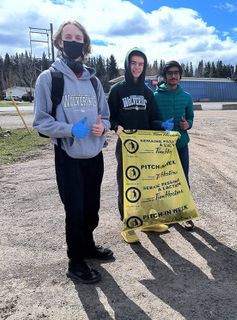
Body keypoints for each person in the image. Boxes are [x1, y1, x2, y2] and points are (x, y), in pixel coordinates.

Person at [33, 20, 113, 284]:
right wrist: (70, 130)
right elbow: (41, 122)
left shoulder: (94, 81)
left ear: (85, 43)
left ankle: (88, 246)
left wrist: (104, 128)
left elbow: (106, 115)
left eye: (78, 37)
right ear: (59, 42)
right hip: (68, 157)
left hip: (94, 155)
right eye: (68, 36)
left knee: (92, 208)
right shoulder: (49, 78)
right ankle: (75, 261)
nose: (73, 41)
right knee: (75, 210)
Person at [108, 48, 168, 244]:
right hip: (126, 144)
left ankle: (147, 221)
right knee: (127, 183)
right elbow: (109, 116)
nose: (136, 67)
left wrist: (163, 127)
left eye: (140, 64)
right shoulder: (117, 90)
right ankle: (128, 223)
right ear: (127, 64)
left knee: (147, 183)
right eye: (133, 63)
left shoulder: (147, 93)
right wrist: (116, 127)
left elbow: (154, 118)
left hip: (146, 145)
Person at [153, 60, 195, 230]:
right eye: (170, 73)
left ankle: (185, 214)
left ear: (180, 76)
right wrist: (161, 124)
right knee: (164, 181)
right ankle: (167, 213)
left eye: (176, 73)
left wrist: (188, 125)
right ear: (164, 76)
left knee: (183, 179)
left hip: (181, 145)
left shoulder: (186, 97)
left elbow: (191, 117)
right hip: (162, 147)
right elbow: (151, 120)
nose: (173, 76)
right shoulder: (155, 96)